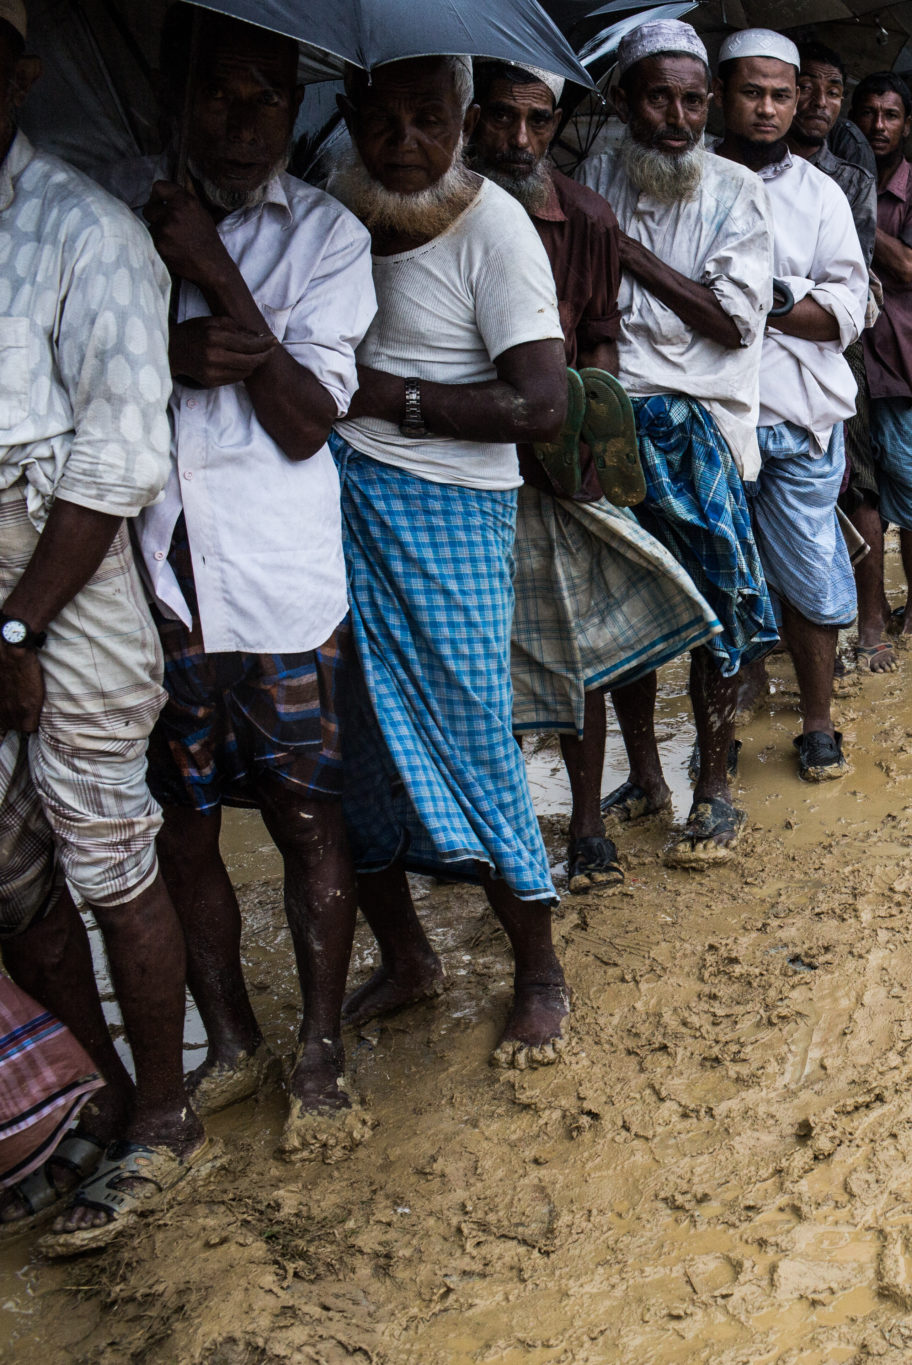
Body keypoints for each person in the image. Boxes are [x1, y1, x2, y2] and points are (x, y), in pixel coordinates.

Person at [105, 9, 375, 1153]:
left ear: (298, 104)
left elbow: (310, 422)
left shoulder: (324, 233)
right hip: (148, 581)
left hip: (276, 579)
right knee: (184, 825)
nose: (241, 119)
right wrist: (152, 349)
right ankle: (233, 1039)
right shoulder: (113, 217)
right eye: (219, 93)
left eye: (267, 96)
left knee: (310, 817)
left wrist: (215, 278)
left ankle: (320, 1042)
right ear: (177, 95)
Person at [0, 0, 207, 1253]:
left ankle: (165, 1120)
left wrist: (16, 634)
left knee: (102, 844)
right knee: (11, 869)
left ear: (19, 76)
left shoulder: (84, 229)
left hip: (62, 596)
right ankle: (93, 1096)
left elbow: (120, 456)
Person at [324, 54, 572, 1071]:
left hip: (451, 511)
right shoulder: (327, 213)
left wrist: (390, 400)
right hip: (338, 496)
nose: (403, 140)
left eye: (427, 118)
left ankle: (540, 965)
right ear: (346, 116)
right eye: (379, 119)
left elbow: (543, 405)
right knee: (353, 740)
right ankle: (409, 956)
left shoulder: (495, 229)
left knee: (471, 731)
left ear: (465, 119)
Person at [466, 60, 716, 895]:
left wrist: (595, 436)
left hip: (560, 460)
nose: (519, 139)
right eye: (500, 119)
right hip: (464, 463)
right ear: (469, 119)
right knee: (503, 658)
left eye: (537, 121)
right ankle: (542, 824)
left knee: (596, 639)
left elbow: (601, 336)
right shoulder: (432, 216)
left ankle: (596, 814)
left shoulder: (586, 216)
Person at [579, 19, 779, 864]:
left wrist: (624, 254)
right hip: (611, 418)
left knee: (712, 614)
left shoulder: (736, 190)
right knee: (618, 617)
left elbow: (733, 320)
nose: (678, 115)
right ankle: (647, 777)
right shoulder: (596, 175)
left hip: (701, 424)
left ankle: (715, 791)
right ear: (626, 101)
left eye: (694, 100)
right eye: (659, 97)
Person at [713, 30, 866, 782]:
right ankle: (720, 736)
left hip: (801, 422)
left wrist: (765, 300)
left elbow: (848, 308)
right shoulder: (687, 182)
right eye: (752, 92)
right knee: (716, 581)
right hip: (708, 423)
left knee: (810, 576)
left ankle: (817, 722)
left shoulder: (820, 193)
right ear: (721, 95)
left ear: (800, 98)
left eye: (782, 94)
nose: (768, 108)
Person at [848, 72, 912, 663]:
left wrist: (852, 208)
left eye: (890, 115)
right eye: (868, 113)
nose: (878, 126)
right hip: (852, 360)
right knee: (860, 488)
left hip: (911, 364)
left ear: (907, 124)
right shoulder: (833, 184)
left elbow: (911, 265)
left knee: (910, 484)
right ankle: (871, 613)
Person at [791, 42, 875, 261]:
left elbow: (851, 274)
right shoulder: (753, 166)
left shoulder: (855, 183)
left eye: (833, 92)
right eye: (807, 88)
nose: (820, 102)